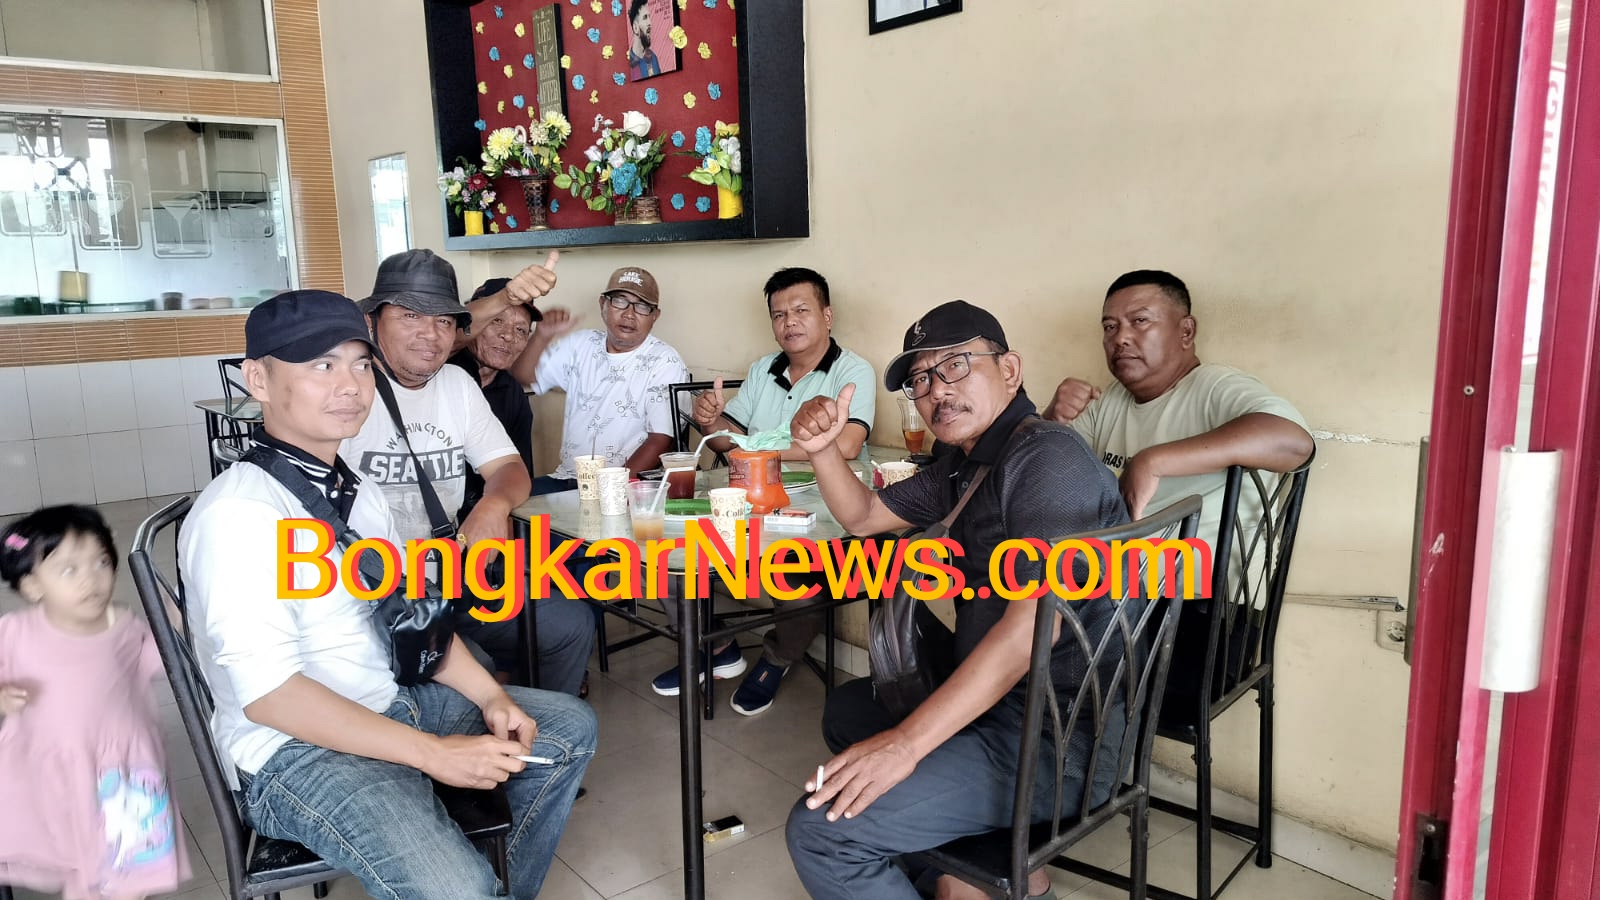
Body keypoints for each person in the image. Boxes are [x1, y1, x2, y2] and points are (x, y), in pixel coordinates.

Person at [178, 290, 596, 900]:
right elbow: (270, 697)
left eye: (359, 364)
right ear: (258, 380)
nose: (349, 385)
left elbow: (415, 619)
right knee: (457, 889)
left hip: (389, 699)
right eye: (321, 365)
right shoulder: (240, 513)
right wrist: (433, 753)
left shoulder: (358, 492)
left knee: (566, 728)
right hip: (295, 751)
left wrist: (491, 697)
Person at [783, 300, 1128, 900]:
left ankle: (975, 873)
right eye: (920, 379)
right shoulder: (969, 462)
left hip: (1059, 738)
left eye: (956, 366)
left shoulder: (1045, 459)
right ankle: (962, 875)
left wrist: (907, 744)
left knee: (821, 833)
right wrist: (821, 450)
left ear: (1010, 370)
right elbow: (863, 516)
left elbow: (1032, 630)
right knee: (850, 710)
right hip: (1004, 704)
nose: (937, 390)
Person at [342, 249, 593, 695]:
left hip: (454, 577)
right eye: (410, 316)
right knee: (471, 666)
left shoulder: (457, 386)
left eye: (443, 320)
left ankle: (542, 723)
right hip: (375, 593)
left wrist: (494, 504)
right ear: (371, 322)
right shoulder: (346, 390)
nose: (429, 333)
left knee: (569, 622)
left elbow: (509, 467)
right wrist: (507, 296)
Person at [663, 266, 877, 716]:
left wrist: (758, 449)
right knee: (663, 546)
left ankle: (777, 658)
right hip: (747, 504)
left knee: (793, 572)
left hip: (819, 511)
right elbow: (725, 442)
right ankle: (714, 647)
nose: (789, 322)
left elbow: (847, 444)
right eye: (779, 315)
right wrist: (711, 421)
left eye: (801, 310)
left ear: (827, 315)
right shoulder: (764, 369)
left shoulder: (852, 370)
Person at [0, 504, 192, 900]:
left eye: (101, 562)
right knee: (80, 869)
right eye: (69, 569)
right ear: (32, 586)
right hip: (54, 777)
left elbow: (154, 660)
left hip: (123, 776)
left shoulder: (121, 626)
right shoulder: (15, 633)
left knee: (126, 880)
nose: (92, 577)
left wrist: (172, 620)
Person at [1042, 268, 1313, 538]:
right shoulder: (1107, 400)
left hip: (1202, 566)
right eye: (1110, 327)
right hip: (1113, 563)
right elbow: (1041, 482)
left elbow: (1294, 443)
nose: (1120, 338)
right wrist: (1050, 421)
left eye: (1140, 320)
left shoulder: (1215, 386)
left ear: (1186, 331)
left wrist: (1151, 462)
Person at [508, 265, 689, 495]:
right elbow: (523, 376)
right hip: (568, 478)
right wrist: (542, 336)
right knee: (509, 503)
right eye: (620, 301)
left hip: (627, 486)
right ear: (603, 304)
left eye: (642, 306)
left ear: (655, 316)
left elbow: (660, 439)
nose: (629, 314)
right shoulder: (581, 344)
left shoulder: (665, 361)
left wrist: (612, 489)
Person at [449, 277, 539, 523]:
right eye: (496, 321)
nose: (508, 336)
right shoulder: (440, 374)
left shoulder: (514, 395)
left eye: (520, 330)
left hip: (485, 517)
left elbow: (520, 478)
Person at [627, 0, 661, 80]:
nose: (649, 23)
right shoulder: (629, 63)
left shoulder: (653, 58)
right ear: (635, 28)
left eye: (649, 17)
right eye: (645, 17)